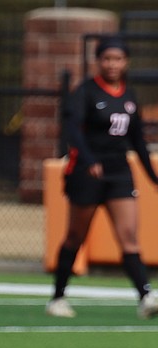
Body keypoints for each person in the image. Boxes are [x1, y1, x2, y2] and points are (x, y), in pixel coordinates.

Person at [47, 35, 158, 319]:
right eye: (107, 58)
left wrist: (153, 178)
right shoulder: (86, 92)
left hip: (119, 172)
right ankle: (58, 297)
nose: (112, 64)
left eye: (118, 59)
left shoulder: (129, 96)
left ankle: (146, 296)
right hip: (87, 173)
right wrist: (89, 160)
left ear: (126, 62)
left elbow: (138, 142)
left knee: (129, 236)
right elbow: (72, 130)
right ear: (99, 61)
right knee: (75, 236)